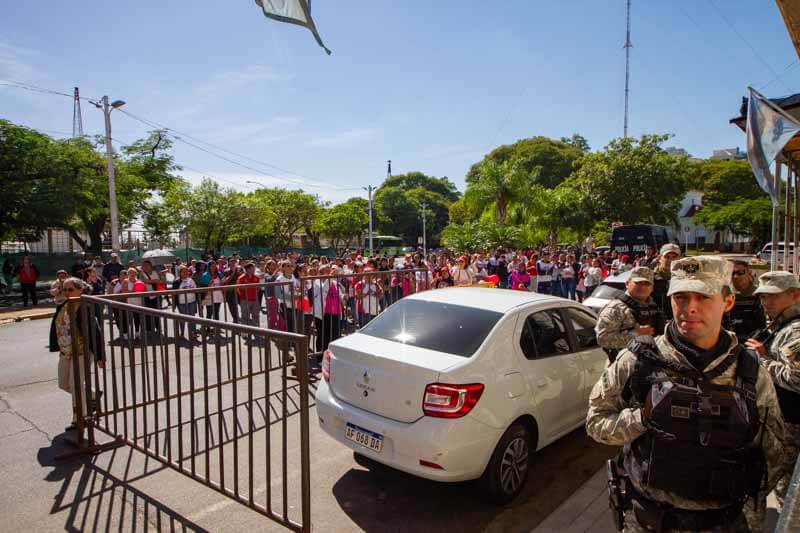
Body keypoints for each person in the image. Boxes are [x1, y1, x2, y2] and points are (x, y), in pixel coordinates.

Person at [587, 256, 785, 533]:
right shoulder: (638, 360)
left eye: (703, 297)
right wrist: (642, 418)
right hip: (650, 521)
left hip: (725, 522)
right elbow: (596, 423)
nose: (690, 308)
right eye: (681, 297)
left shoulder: (751, 371)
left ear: (727, 302)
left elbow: (776, 455)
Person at [746, 271, 800, 510]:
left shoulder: (794, 331)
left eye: (774, 297)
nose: (766, 303)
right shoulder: (780, 325)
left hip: (790, 424)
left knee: (781, 491)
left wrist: (762, 359)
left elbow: (796, 379)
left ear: (795, 295)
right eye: (763, 297)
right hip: (781, 421)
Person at [48, 277, 104, 432]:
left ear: (81, 290)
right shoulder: (63, 305)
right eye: (64, 289)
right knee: (63, 384)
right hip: (65, 352)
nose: (66, 292)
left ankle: (80, 418)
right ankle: (93, 395)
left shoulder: (85, 307)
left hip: (82, 352)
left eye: (70, 289)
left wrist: (100, 356)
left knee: (75, 385)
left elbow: (95, 332)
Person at [595, 267, 664, 364]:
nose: (643, 287)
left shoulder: (653, 306)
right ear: (627, 284)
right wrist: (636, 334)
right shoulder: (616, 308)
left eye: (647, 284)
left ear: (652, 288)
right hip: (623, 367)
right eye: (638, 283)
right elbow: (602, 339)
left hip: (651, 364)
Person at [724, 259, 766, 344]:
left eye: (740, 272)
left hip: (752, 343)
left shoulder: (760, 295)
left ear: (749, 274)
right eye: (732, 274)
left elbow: (763, 325)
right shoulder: (726, 295)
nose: (736, 277)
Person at [175, 265, 198, 343]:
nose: (185, 273)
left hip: (192, 301)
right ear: (180, 273)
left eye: (186, 271)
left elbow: (196, 289)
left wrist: (192, 289)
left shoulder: (191, 280)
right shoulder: (176, 281)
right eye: (183, 271)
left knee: (192, 317)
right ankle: (182, 333)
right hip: (181, 303)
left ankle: (194, 332)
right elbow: (174, 293)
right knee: (182, 318)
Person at [237, 263, 261, 327]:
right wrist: (243, 296)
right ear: (247, 269)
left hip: (255, 299)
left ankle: (256, 330)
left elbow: (258, 288)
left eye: (253, 268)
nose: (254, 269)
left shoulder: (256, 278)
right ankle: (245, 331)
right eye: (252, 268)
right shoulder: (241, 278)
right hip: (245, 300)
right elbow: (238, 289)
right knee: (245, 316)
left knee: (256, 315)